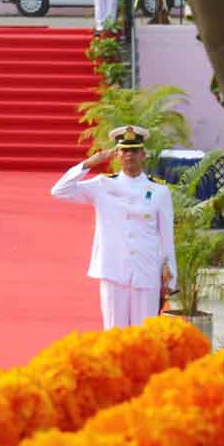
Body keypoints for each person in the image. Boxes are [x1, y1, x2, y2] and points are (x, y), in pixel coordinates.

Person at [50, 125, 176, 329]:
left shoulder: (159, 191)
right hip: (113, 271)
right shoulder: (102, 185)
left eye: (134, 150)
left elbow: (166, 238)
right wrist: (91, 162)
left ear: (143, 154)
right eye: (124, 150)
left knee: (143, 337)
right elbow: (59, 191)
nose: (129, 155)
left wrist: (170, 279)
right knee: (114, 334)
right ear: (116, 154)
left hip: (146, 271)